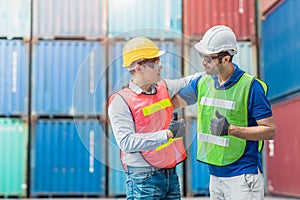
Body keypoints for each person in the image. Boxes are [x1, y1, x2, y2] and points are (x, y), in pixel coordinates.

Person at [176, 25, 276, 200]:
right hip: (215, 176)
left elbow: (270, 130)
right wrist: (141, 92)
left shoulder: (251, 87)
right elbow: (173, 101)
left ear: (226, 58)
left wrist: (231, 130)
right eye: (202, 56)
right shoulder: (202, 83)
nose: (203, 62)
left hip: (243, 177)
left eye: (208, 58)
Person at [108, 36, 196, 199]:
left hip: (170, 175)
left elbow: (188, 82)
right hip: (143, 180)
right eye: (155, 61)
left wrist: (214, 71)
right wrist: (167, 134)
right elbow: (126, 142)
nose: (160, 66)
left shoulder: (164, 87)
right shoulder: (120, 101)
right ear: (139, 67)